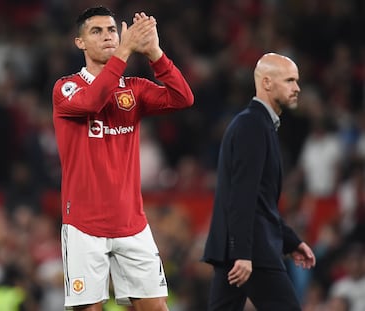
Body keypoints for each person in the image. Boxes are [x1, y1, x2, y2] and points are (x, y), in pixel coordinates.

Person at [52, 6, 193, 311]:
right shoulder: (66, 88)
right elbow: (93, 101)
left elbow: (183, 97)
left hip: (132, 224)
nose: (107, 36)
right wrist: (126, 51)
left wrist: (155, 52)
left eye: (112, 30)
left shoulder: (134, 90)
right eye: (96, 31)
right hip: (84, 227)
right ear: (80, 43)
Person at [202, 53, 316, 311]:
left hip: (236, 248)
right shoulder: (252, 126)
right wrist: (243, 252)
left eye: (296, 81)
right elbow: (243, 195)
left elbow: (260, 200)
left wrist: (291, 241)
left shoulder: (258, 125)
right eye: (289, 80)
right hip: (253, 252)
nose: (297, 88)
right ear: (266, 83)